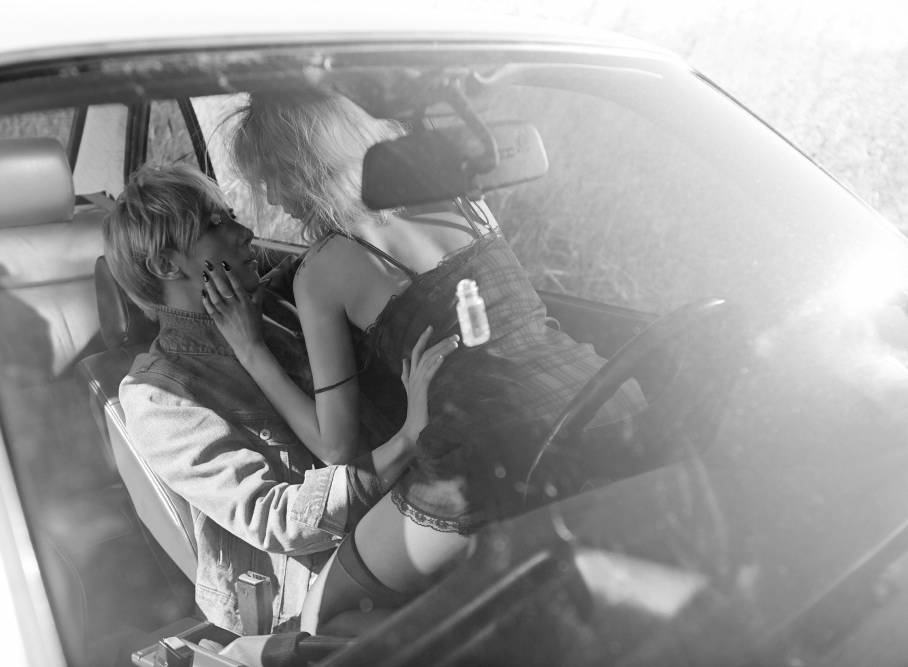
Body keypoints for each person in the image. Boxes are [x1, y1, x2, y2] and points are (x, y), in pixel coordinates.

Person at [206, 90, 649, 633]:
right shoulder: (462, 197)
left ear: (302, 171)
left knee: (321, 615)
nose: (274, 200)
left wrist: (251, 349)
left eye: (272, 179)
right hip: (603, 396)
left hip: (492, 452)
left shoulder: (323, 269)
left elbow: (336, 447)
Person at [103, 162, 457, 635]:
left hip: (405, 510)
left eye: (231, 216)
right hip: (311, 588)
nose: (245, 233)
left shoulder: (272, 300)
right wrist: (405, 444)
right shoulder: (159, 396)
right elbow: (276, 519)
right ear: (168, 265)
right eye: (215, 226)